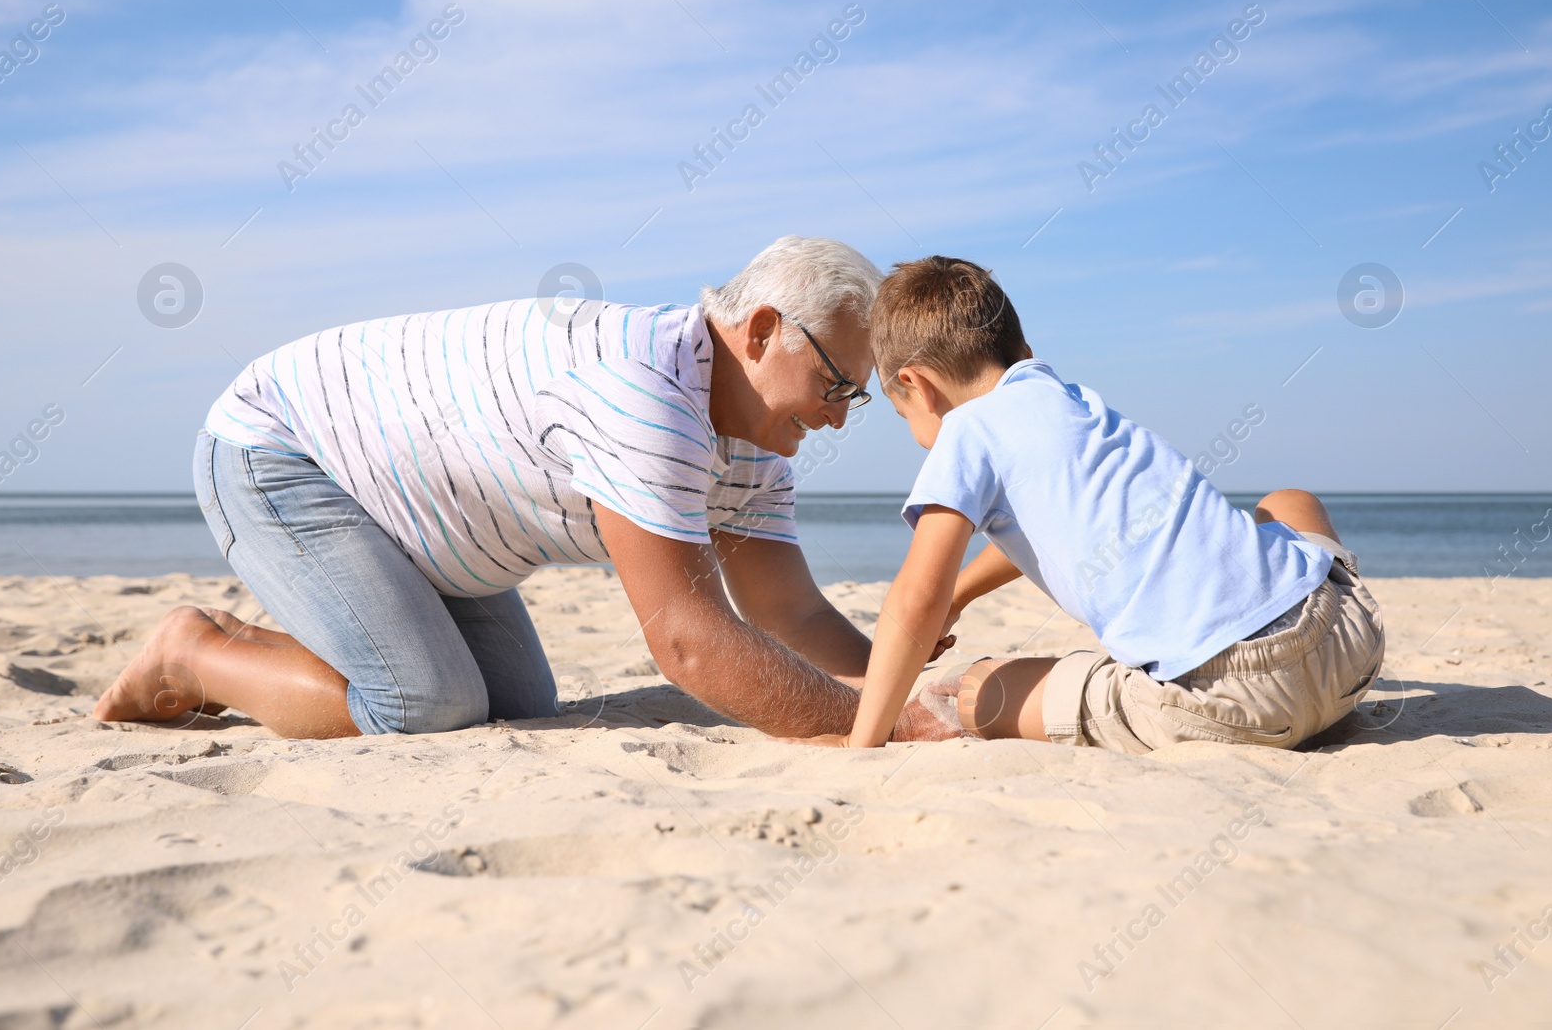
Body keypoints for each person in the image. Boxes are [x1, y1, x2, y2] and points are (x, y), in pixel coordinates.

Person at [93, 237, 957, 741]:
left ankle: (327, 637)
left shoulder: (761, 441)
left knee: (517, 709)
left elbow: (790, 612)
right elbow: (688, 643)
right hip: (283, 448)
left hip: (425, 520)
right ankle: (193, 651)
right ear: (763, 331)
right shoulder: (646, 387)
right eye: (837, 385)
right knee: (424, 703)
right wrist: (872, 729)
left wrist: (897, 688)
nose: (841, 419)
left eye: (857, 399)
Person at [790, 256, 1384, 753]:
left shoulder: (966, 431)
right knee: (1288, 501)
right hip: (1347, 643)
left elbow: (914, 600)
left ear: (917, 385)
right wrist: (963, 593)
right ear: (1021, 350)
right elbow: (1050, 527)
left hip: (1232, 701)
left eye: (902, 415)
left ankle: (917, 721)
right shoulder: (1063, 398)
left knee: (978, 691)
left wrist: (861, 743)